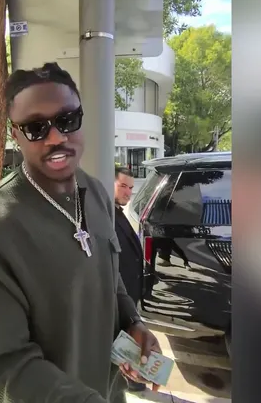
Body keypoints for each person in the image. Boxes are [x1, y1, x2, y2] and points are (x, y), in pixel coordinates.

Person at [0, 62, 161, 402]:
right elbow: (5, 369)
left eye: (67, 120)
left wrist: (133, 323)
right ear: (15, 134)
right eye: (36, 127)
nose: (56, 137)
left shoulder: (96, 193)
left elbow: (110, 280)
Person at [112, 166, 148, 392]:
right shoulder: (106, 215)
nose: (128, 192)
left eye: (131, 188)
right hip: (118, 297)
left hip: (127, 296)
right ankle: (132, 382)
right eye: (123, 186)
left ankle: (132, 380)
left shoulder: (117, 213)